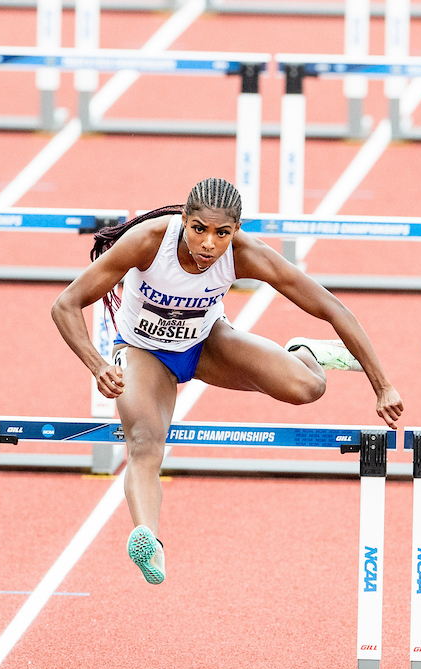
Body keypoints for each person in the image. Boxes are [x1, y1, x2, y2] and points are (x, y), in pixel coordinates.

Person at [52, 177, 403, 584]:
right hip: (144, 354)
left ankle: (306, 351)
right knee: (145, 441)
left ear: (235, 231)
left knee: (309, 388)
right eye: (199, 229)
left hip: (206, 345)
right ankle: (150, 539)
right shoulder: (148, 241)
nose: (208, 245)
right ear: (184, 221)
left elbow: (332, 307)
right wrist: (97, 364)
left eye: (221, 234)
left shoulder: (245, 254)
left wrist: (382, 385)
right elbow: (66, 304)